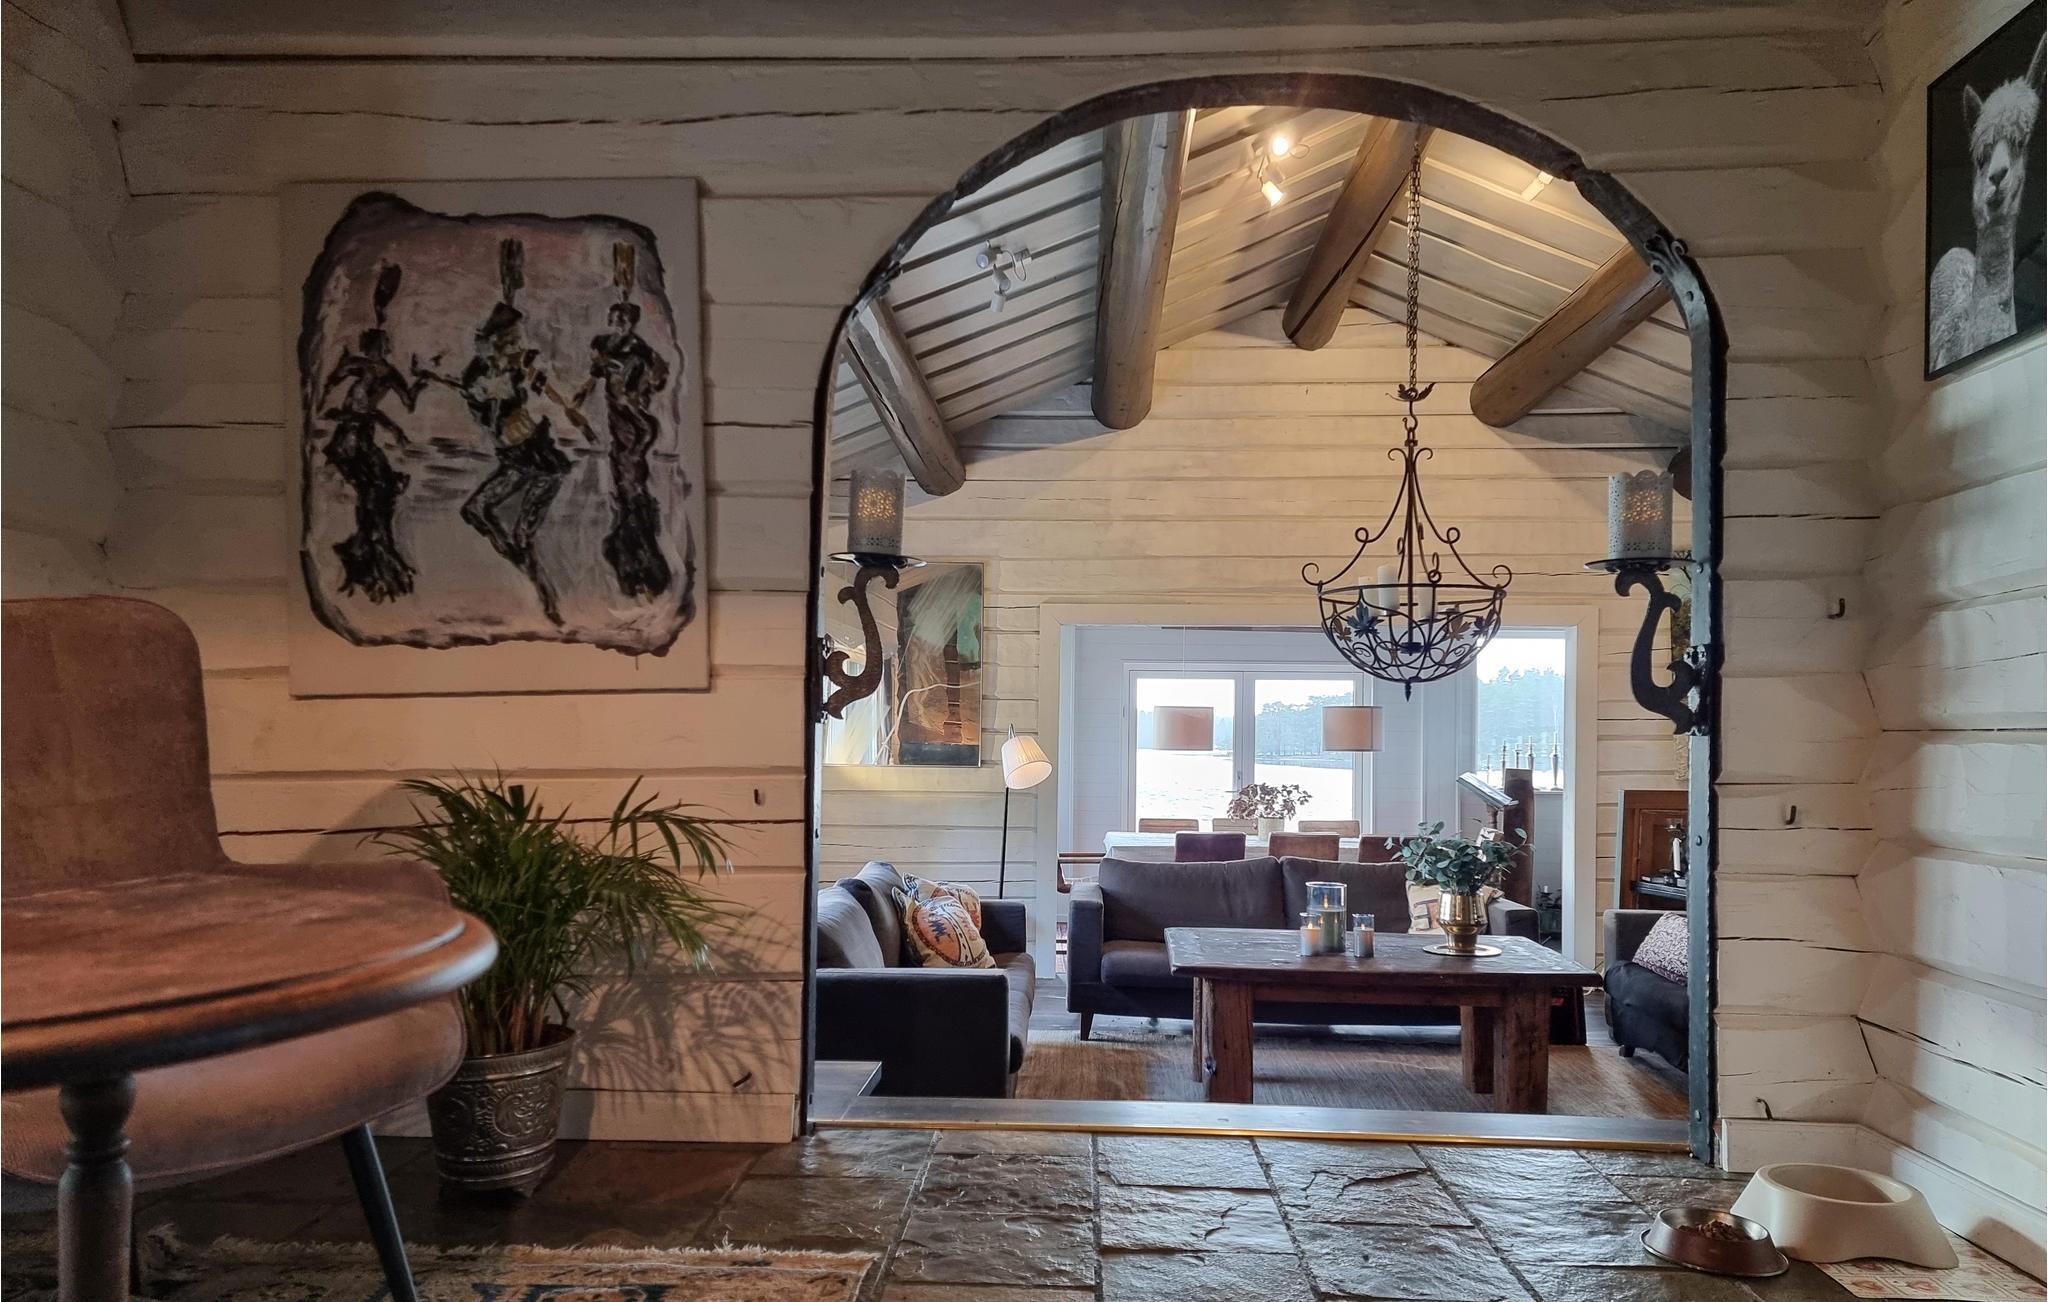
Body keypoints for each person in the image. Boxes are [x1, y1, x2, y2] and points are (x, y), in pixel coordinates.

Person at [316, 267, 424, 603]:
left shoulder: (368, 368)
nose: (378, 351)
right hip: (352, 441)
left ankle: (370, 548)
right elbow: (400, 403)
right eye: (378, 346)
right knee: (378, 489)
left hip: (352, 440)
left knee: (378, 491)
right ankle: (371, 549)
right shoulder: (374, 369)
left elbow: (340, 387)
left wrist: (419, 381)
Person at [573, 299, 674, 599]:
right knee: (623, 474)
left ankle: (640, 562)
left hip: (635, 421)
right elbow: (595, 375)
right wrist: (582, 393)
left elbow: (660, 375)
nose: (618, 324)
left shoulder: (640, 350)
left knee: (629, 478)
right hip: (616, 419)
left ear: (632, 322)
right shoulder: (604, 345)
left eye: (623, 320)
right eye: (614, 319)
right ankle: (633, 558)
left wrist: (640, 392)